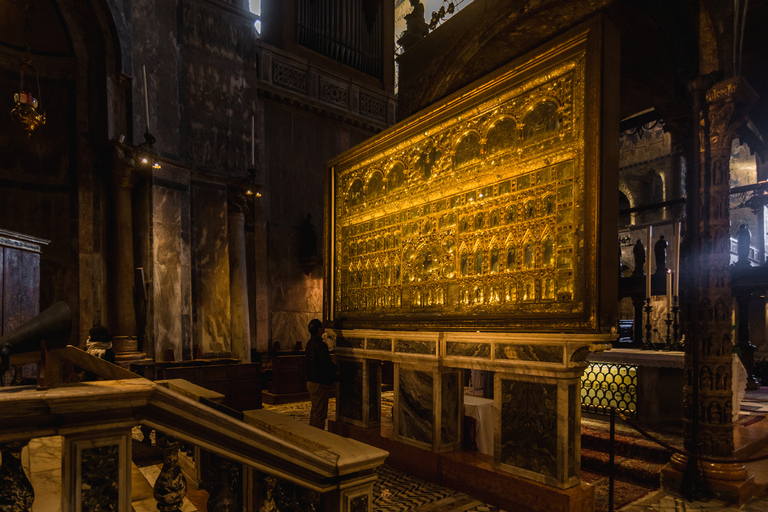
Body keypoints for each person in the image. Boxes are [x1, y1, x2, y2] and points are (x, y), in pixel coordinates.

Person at [305, 319, 337, 429]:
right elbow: (326, 363)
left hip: (312, 381)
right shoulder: (320, 345)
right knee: (320, 414)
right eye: (322, 327)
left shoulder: (310, 343)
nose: (324, 328)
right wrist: (336, 370)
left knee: (315, 411)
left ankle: (312, 436)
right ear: (319, 330)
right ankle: (317, 439)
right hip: (319, 382)